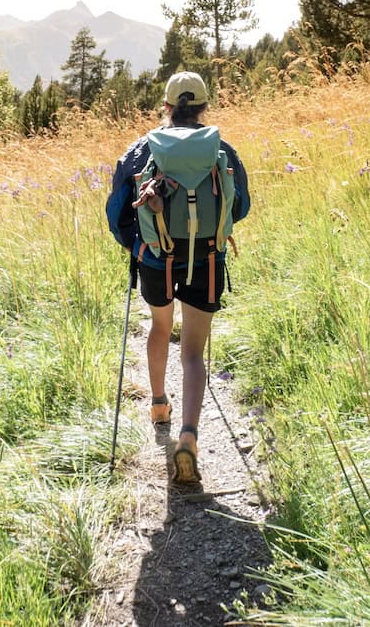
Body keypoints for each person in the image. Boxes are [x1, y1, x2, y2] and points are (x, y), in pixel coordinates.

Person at [105, 71, 250, 482]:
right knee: (192, 351)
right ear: (205, 106)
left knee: (159, 325)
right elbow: (240, 207)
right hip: (205, 258)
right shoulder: (222, 149)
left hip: (156, 260)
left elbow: (117, 215)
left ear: (166, 107)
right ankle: (189, 435)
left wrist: (139, 247)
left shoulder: (139, 151)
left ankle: (157, 404)